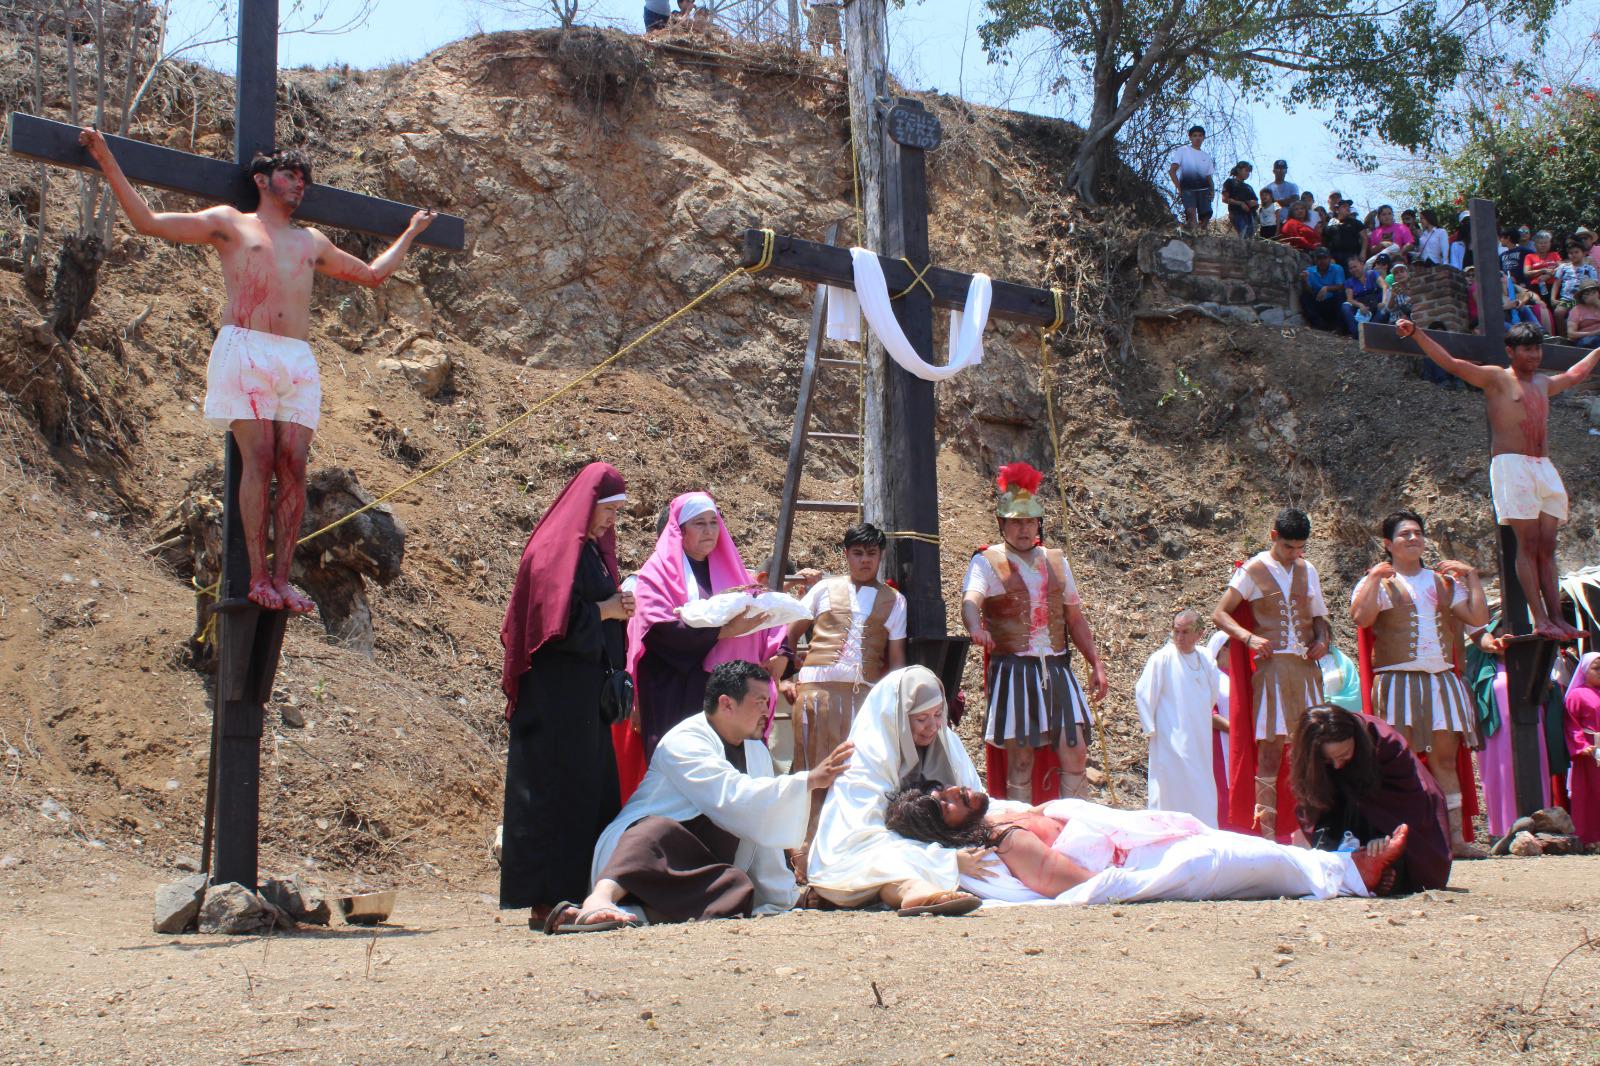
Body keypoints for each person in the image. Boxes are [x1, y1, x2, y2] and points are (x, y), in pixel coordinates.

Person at [79, 129, 434, 615]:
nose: (300, 184)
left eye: (305, 178)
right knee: (261, 458)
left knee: (295, 463)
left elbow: (372, 274)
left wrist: (411, 231)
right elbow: (147, 221)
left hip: (296, 358)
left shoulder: (310, 240)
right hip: (247, 349)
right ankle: (258, 577)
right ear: (263, 180)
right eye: (291, 175)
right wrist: (105, 157)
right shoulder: (231, 223)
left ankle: (283, 579)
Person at [551, 662, 854, 931]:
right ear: (726, 703)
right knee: (656, 830)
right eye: (759, 701)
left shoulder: (757, 752)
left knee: (736, 887)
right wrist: (810, 780)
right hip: (641, 861)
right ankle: (599, 899)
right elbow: (731, 796)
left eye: (768, 701)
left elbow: (760, 820)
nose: (767, 710)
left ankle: (628, 916)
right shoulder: (684, 741)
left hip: (693, 870)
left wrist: (786, 895)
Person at [1397, 318, 1600, 639]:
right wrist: (1417, 334)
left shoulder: (1544, 384)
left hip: (1542, 466)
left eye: (1537, 349)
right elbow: (1451, 363)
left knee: (1548, 547)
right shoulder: (1497, 379)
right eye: (1527, 349)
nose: (1534, 355)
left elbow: (1576, 374)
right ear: (1511, 351)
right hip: (1512, 465)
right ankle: (1541, 619)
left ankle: (1557, 618)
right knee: (1528, 544)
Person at [885, 783, 1407, 904]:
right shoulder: (1008, 841)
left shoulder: (998, 809)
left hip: (1144, 838)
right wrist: (1153, 876)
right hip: (1139, 863)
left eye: (942, 788)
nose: (952, 791)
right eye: (943, 803)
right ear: (948, 829)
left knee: (1236, 845)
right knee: (1231, 857)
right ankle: (1350, 871)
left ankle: (1341, 865)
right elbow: (1079, 885)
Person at [497, 462, 633, 924]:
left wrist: (615, 610)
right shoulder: (556, 551)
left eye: (617, 512)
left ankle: (583, 893)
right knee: (553, 791)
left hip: (583, 699)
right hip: (555, 700)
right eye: (607, 510)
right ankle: (546, 900)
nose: (612, 521)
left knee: (587, 790)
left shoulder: (589, 551)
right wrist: (607, 611)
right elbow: (548, 626)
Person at [962, 462, 1107, 803]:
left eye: (1029, 521)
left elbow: (1074, 617)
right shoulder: (987, 561)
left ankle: (1075, 827)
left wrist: (1096, 663)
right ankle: (1024, 830)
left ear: (1038, 523)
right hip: (1014, 671)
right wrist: (975, 627)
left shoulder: (1056, 560)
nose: (1024, 529)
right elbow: (971, 600)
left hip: (1057, 666)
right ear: (1002, 524)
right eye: (1016, 522)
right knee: (1021, 760)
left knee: (1075, 751)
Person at [1348, 510, 1489, 858]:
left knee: (1444, 759)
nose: (1413, 538)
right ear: (1388, 544)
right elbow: (1361, 619)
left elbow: (1478, 619)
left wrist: (1471, 579)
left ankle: (1454, 839)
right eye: (1404, 534)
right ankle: (1401, 837)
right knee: (1400, 760)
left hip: (1441, 679)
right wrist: (1372, 579)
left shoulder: (1444, 582)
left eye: (1417, 533)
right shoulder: (1382, 583)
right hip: (1398, 680)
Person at [622, 492, 783, 791]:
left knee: (724, 771)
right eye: (700, 523)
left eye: (714, 522)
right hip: (673, 687)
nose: (710, 530)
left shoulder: (732, 572)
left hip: (720, 691)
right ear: (680, 530)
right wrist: (723, 631)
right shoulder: (655, 576)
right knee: (681, 773)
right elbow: (660, 631)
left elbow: (758, 615)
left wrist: (779, 647)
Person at [806, 666, 987, 915]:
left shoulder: (947, 742)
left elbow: (978, 800)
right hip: (865, 848)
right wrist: (942, 859)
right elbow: (862, 835)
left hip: (933, 843)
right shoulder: (866, 755)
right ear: (898, 717)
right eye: (921, 719)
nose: (932, 726)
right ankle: (915, 893)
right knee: (887, 862)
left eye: (938, 715)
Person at [781, 522, 907, 870]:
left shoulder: (895, 602)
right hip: (815, 695)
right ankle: (801, 860)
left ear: (880, 555)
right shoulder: (823, 590)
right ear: (846, 555)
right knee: (811, 775)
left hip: (862, 700)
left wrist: (893, 708)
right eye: (857, 553)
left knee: (853, 779)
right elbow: (788, 634)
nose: (865, 560)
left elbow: (896, 664)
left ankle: (843, 860)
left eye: (871, 553)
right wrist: (783, 679)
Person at [1210, 508, 1332, 840]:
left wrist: (1322, 639)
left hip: (1306, 670)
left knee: (1313, 748)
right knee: (1270, 752)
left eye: (1300, 547)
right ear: (1274, 536)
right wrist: (1248, 637)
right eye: (1289, 546)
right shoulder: (1253, 570)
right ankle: (1266, 833)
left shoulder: (1309, 570)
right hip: (1272, 669)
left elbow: (1320, 615)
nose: (1295, 554)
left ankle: (1312, 832)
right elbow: (1220, 614)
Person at [1291, 704, 1452, 894]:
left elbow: (1406, 800)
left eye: (1343, 756)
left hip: (1390, 816)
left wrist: (1382, 838)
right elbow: (1311, 802)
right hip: (1343, 821)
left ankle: (1385, 868)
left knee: (1388, 847)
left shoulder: (1385, 743)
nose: (1337, 766)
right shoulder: (1310, 757)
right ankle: (1357, 869)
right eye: (1328, 760)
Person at [1135, 610, 1223, 826]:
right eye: (1176, 631)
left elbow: (1212, 695)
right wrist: (1151, 729)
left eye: (1185, 632)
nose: (1179, 637)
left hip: (1199, 737)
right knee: (1169, 789)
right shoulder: (1162, 659)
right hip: (1169, 737)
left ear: (1200, 634)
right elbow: (1144, 693)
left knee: (1200, 787)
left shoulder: (1206, 659)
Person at [1563, 652, 1600, 846]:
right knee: (1590, 793)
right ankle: (1589, 838)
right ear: (1585, 671)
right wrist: (1581, 746)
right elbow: (1571, 723)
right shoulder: (1577, 695)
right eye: (1597, 668)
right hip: (1590, 752)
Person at [1168, 125, 1215, 232]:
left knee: (1205, 218)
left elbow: (1209, 177)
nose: (1197, 138)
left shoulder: (1206, 156)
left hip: (1204, 190)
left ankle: (1204, 238)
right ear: (1190, 137)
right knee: (1191, 216)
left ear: (1203, 137)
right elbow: (1172, 171)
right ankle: (1192, 238)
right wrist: (1180, 188)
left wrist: (1212, 190)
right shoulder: (1183, 150)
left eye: (1200, 135)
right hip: (1188, 190)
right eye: (1195, 136)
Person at [1552, 240, 1600, 337]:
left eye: (1576, 252)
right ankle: (1564, 337)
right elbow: (1557, 284)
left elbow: (1594, 285)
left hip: (1584, 298)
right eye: (1570, 253)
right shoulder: (1564, 267)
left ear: (1583, 253)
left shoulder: (1590, 269)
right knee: (1558, 312)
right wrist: (1552, 298)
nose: (1573, 255)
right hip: (1567, 299)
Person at [1300, 247, 1344, 330]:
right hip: (1318, 302)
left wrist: (1326, 288)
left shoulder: (1337, 268)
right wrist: (1304, 281)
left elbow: (1341, 286)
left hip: (1332, 303)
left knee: (1340, 295)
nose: (1322, 261)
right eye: (1319, 258)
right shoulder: (1309, 271)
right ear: (1315, 259)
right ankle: (1319, 324)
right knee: (1304, 296)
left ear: (1329, 258)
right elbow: (1309, 291)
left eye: (1325, 258)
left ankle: (1339, 327)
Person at [1341, 255, 1386, 336]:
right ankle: (1357, 333)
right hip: (1359, 311)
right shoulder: (1349, 282)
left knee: (1384, 309)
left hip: (1374, 307)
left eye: (1355, 266)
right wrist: (1360, 305)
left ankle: (1369, 332)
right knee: (1345, 306)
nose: (1353, 270)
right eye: (1351, 268)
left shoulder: (1372, 274)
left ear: (1362, 264)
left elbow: (1384, 286)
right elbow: (1349, 299)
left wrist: (1383, 302)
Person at [1259, 160, 1299, 241]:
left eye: (1283, 169)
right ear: (1274, 171)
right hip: (1272, 223)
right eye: (1278, 168)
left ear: (1286, 171)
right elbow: (1265, 206)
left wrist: (1275, 201)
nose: (1281, 171)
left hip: (1289, 221)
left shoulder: (1292, 186)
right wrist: (1285, 201)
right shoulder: (1267, 188)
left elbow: (1296, 199)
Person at [1522, 231, 1562, 308]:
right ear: (1535, 244)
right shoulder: (1529, 256)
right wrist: (1543, 270)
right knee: (1542, 308)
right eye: (1540, 243)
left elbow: (1562, 267)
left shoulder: (1554, 254)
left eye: (1546, 242)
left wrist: (1548, 276)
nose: (1543, 245)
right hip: (1536, 287)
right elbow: (1526, 273)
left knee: (1555, 308)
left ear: (1550, 244)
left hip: (1554, 287)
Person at [1220, 161, 1259, 239]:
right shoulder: (1230, 182)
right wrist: (1240, 203)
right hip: (1237, 214)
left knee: (1250, 238)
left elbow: (1256, 201)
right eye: (1246, 170)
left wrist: (1253, 203)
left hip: (1250, 215)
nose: (1248, 173)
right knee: (1243, 235)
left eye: (1249, 171)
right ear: (1238, 170)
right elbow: (1224, 199)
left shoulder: (1248, 187)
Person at [1322, 200, 1367, 265]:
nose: (1347, 208)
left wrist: (1363, 252)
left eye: (1348, 206)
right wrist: (1329, 257)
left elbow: (1364, 238)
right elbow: (1325, 242)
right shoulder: (1330, 225)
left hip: (1352, 256)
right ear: (1337, 210)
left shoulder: (1356, 223)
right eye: (1344, 206)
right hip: (1335, 258)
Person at [1566, 279, 1600, 347]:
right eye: (1587, 292)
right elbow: (1571, 334)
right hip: (1586, 340)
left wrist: (1597, 303)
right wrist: (1593, 333)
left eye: (1593, 292)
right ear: (1582, 296)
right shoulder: (1576, 310)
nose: (1591, 295)